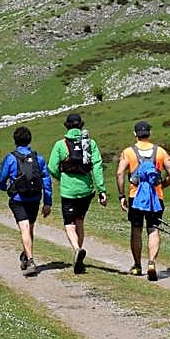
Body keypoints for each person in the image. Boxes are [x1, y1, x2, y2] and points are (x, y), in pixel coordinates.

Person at [115, 120, 170, 280]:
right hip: (155, 197)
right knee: (153, 229)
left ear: (135, 134)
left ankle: (137, 265)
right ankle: (151, 262)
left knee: (136, 229)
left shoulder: (128, 152)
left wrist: (121, 195)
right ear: (149, 133)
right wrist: (163, 185)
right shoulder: (160, 152)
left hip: (136, 197)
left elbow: (120, 173)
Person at [47, 113, 107, 273]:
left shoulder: (60, 145)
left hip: (68, 191)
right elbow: (97, 166)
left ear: (66, 126)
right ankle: (79, 254)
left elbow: (52, 167)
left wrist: (63, 178)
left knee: (69, 223)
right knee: (80, 220)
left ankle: (76, 249)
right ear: (81, 125)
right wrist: (102, 190)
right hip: (86, 190)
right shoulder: (90, 144)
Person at [0, 126, 53, 276]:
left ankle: (30, 260)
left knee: (24, 228)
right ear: (30, 140)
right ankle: (26, 255)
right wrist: (48, 202)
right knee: (30, 229)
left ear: (15, 140)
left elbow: (1, 178)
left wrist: (4, 188)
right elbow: (46, 180)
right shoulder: (38, 158)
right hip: (35, 198)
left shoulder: (10, 158)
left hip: (18, 199)